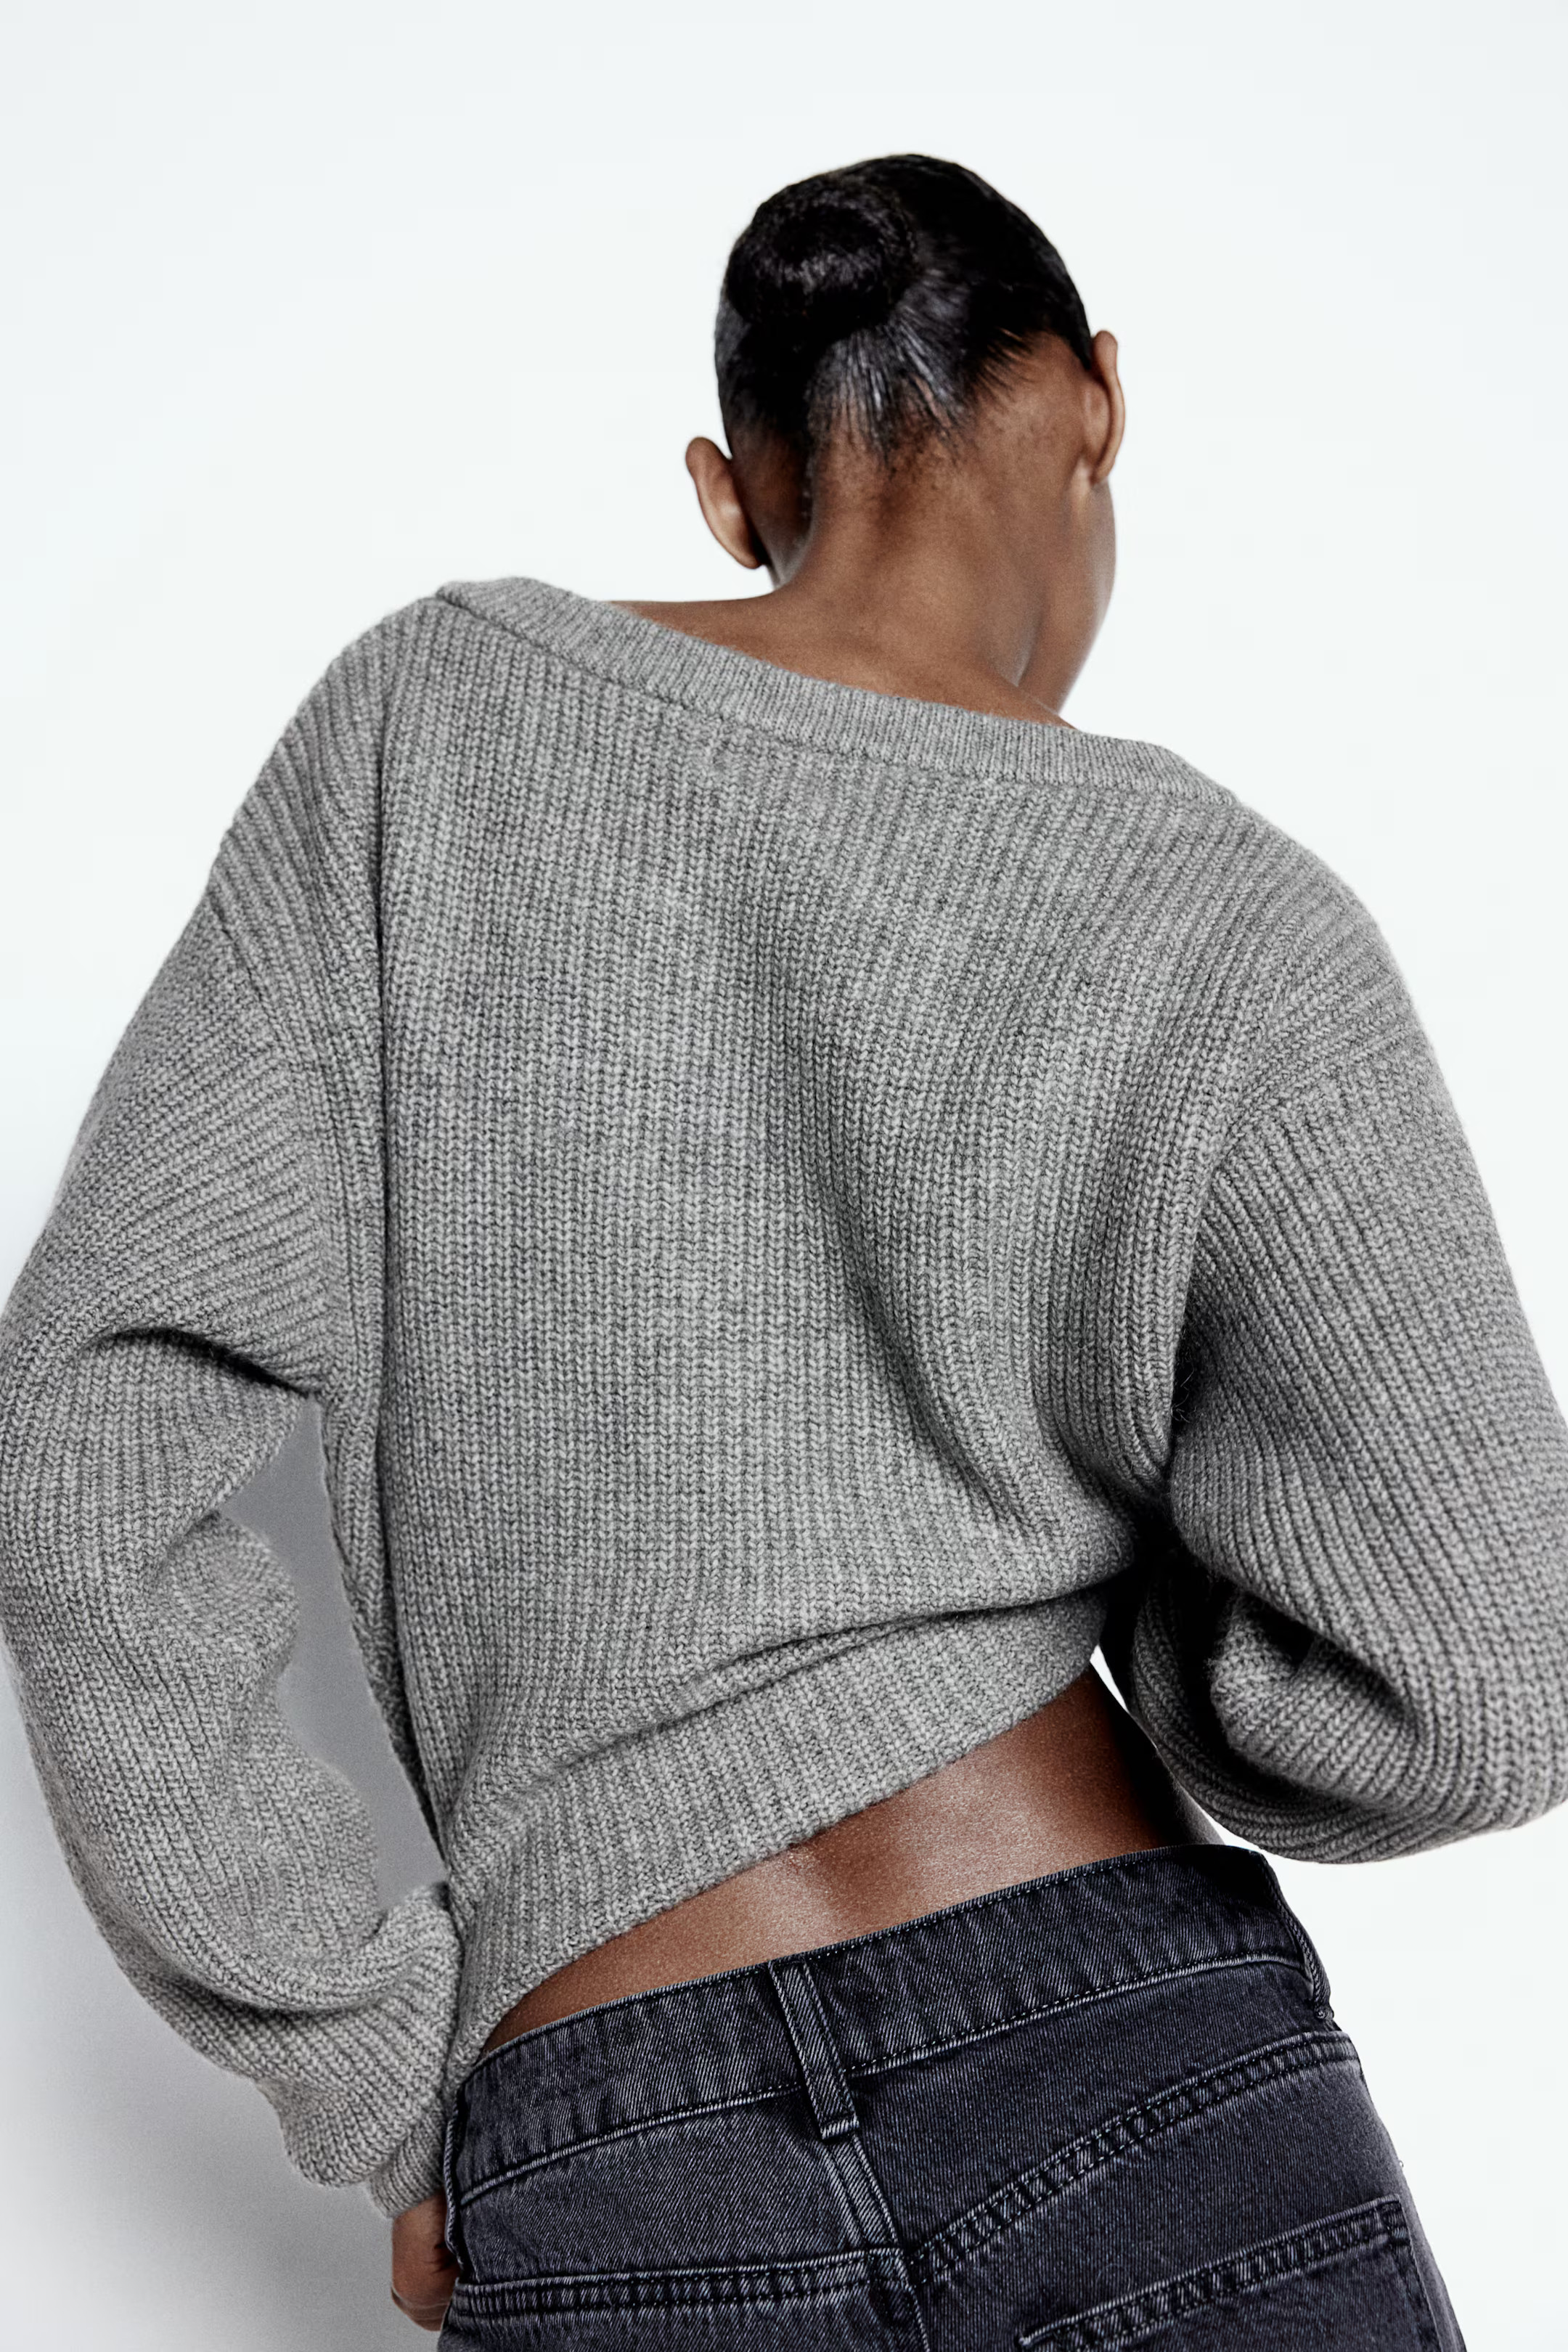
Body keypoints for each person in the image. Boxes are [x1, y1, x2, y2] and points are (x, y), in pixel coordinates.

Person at [1, 152, 1564, 2350]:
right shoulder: (1224, 911)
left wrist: (367, 2065)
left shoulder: (427, 730)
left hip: (604, 2129)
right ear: (1098, 402)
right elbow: (1480, 1685)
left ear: (735, 490)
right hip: (1135, 2051)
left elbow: (82, 1446)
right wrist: (1131, 1601)